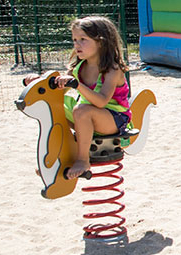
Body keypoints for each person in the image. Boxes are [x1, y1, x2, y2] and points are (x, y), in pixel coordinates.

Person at [22, 16, 130, 180]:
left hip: (115, 119)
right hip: (88, 115)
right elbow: (57, 90)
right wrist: (38, 81)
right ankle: (55, 157)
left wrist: (77, 85)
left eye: (83, 39)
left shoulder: (112, 70)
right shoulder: (78, 67)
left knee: (81, 110)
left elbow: (102, 101)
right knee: (54, 108)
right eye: (74, 40)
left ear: (101, 42)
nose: (77, 44)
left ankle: (82, 160)